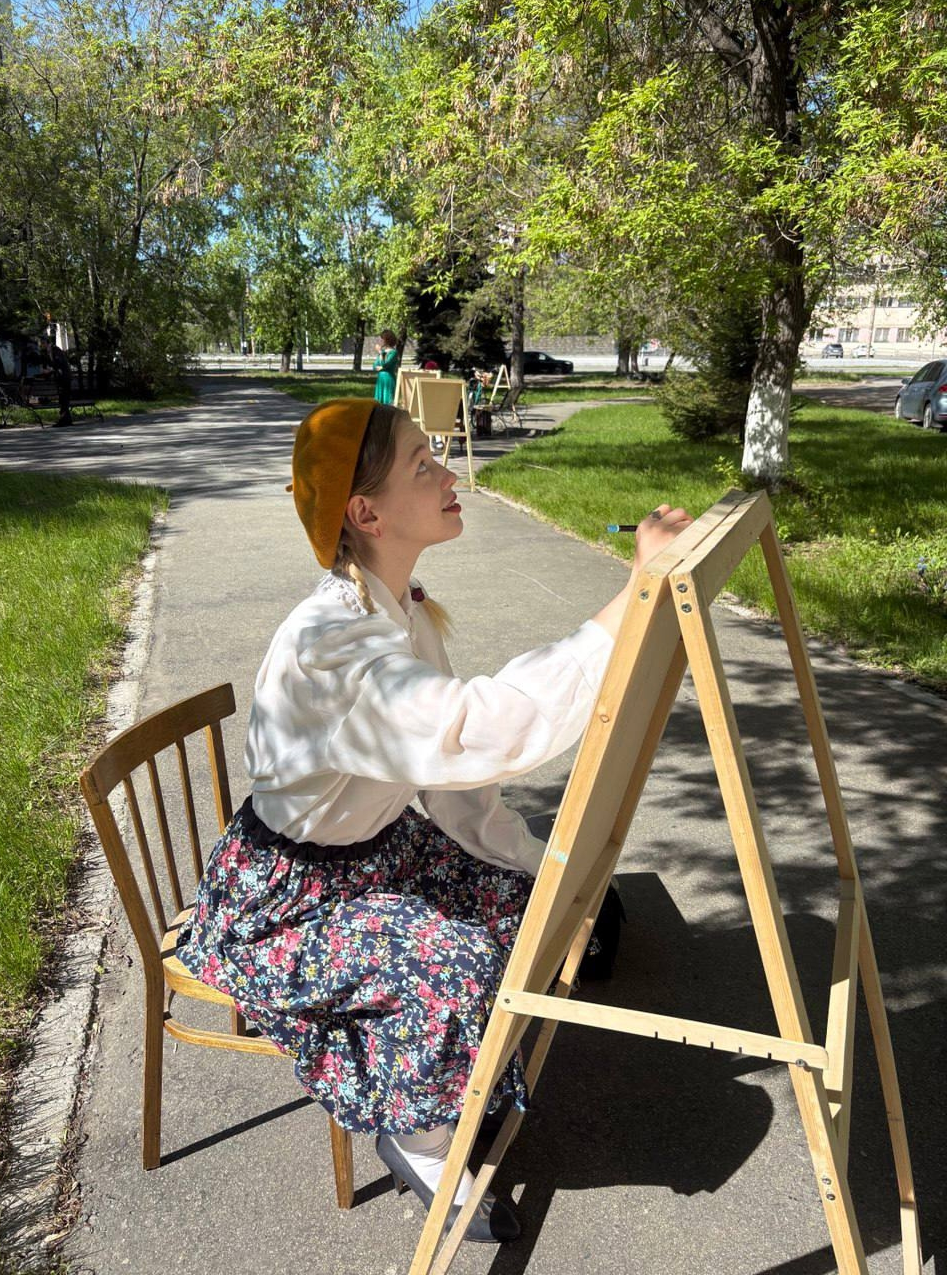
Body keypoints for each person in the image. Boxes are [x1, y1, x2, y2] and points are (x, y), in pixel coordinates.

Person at [176, 398, 691, 1244]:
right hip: (289, 900)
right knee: (456, 963)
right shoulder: (332, 647)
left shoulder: (401, 608)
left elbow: (455, 790)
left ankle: (448, 1074)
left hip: (372, 856)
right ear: (365, 511)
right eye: (423, 465)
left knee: (527, 908)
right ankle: (418, 1140)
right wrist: (634, 595)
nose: (449, 474)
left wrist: (544, 869)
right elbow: (479, 730)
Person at [38, 334, 73, 426]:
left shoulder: (56, 350)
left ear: (47, 343)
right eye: (41, 343)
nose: (41, 345)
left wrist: (50, 369)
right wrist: (47, 371)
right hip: (60, 378)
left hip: (65, 377)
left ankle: (64, 420)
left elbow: (59, 364)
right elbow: (50, 366)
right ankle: (66, 420)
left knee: (64, 398)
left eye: (42, 343)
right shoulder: (47, 353)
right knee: (63, 399)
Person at [372, 329, 399, 404]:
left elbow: (385, 364)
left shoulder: (393, 352)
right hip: (381, 379)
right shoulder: (383, 352)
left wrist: (380, 352)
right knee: (378, 402)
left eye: (382, 339)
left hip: (388, 379)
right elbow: (375, 366)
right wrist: (381, 367)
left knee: (387, 401)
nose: (380, 341)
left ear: (387, 340)